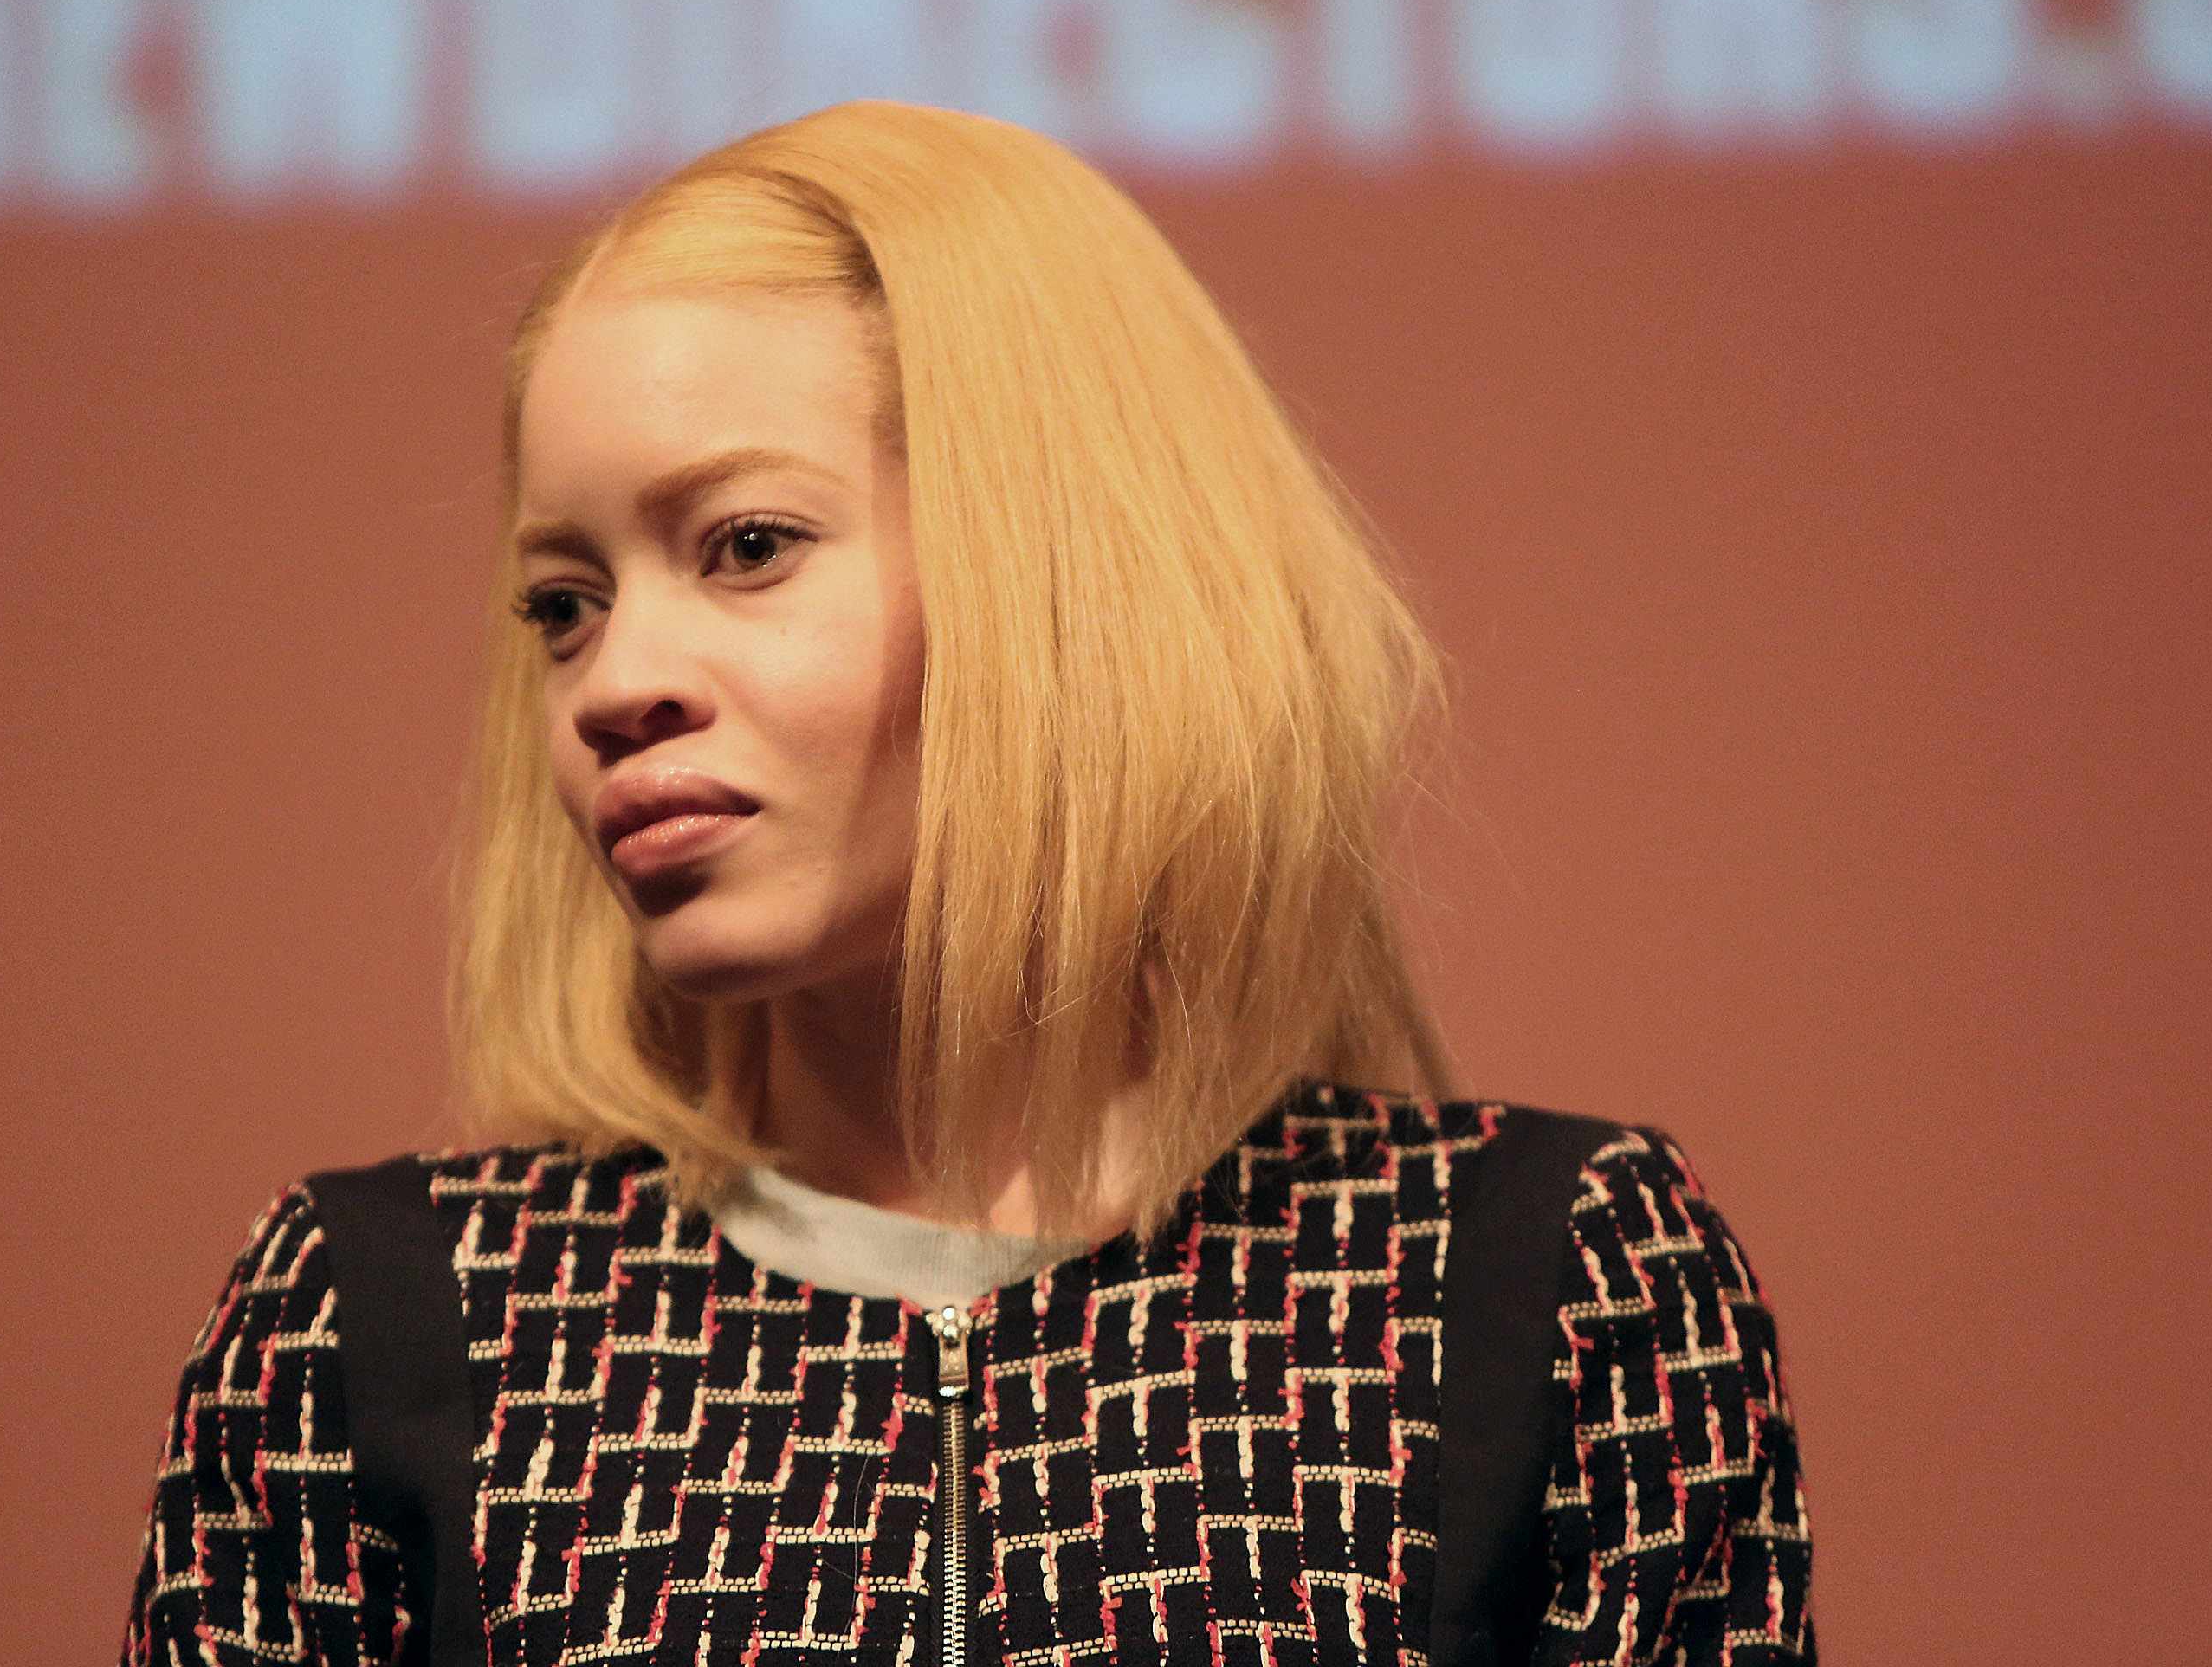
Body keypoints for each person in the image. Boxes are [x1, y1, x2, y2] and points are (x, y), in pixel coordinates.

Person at [122, 100, 1813, 1667]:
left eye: (748, 547)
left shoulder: (1557, 1285)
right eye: (564, 603)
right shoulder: (372, 1320)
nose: (614, 682)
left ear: (1066, 569)